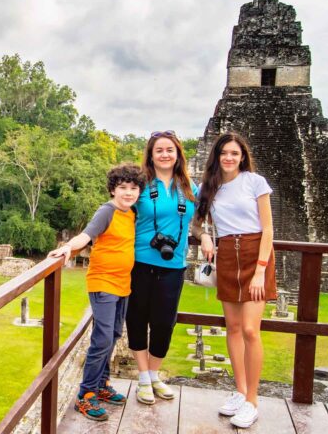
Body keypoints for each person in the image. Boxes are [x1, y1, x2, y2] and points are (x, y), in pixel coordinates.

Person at [48, 163, 145, 422]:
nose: (128, 192)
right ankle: (86, 394)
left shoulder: (132, 213)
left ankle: (101, 384)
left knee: (113, 335)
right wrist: (68, 248)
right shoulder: (107, 211)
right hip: (103, 283)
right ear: (113, 190)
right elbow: (87, 235)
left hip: (123, 283)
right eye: (123, 188)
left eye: (133, 188)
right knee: (102, 339)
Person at [195, 132, 277, 429]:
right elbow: (196, 221)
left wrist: (260, 270)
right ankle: (241, 391)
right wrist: (204, 235)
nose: (229, 158)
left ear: (243, 157)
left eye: (235, 153)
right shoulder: (210, 187)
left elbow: (268, 229)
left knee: (250, 330)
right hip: (227, 254)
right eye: (224, 153)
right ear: (217, 156)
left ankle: (253, 400)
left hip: (256, 254)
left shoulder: (255, 182)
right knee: (231, 327)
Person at [127, 131, 213, 405]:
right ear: (151, 156)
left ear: (178, 154)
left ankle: (154, 375)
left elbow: (198, 223)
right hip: (140, 262)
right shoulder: (140, 185)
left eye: (170, 150)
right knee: (138, 320)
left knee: (164, 323)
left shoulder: (190, 188)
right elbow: (118, 212)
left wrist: (206, 236)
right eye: (159, 150)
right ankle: (143, 378)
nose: (164, 154)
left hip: (174, 265)